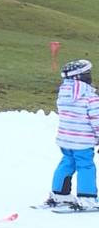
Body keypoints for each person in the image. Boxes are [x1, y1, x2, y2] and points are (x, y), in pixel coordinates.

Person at [42, 60, 99, 208]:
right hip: (83, 142)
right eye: (88, 74)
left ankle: (60, 194)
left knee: (67, 162)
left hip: (65, 139)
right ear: (81, 77)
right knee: (86, 166)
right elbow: (97, 120)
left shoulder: (63, 95)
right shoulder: (90, 97)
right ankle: (87, 198)